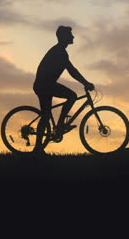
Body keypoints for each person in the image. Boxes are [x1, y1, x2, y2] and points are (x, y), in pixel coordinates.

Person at [32, 25, 95, 153]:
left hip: (46, 84)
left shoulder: (60, 51)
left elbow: (72, 71)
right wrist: (86, 83)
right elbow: (72, 71)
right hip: (44, 85)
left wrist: (85, 82)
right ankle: (58, 127)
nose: (73, 37)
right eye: (70, 35)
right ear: (64, 37)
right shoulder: (59, 52)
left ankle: (41, 146)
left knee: (46, 115)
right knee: (70, 98)